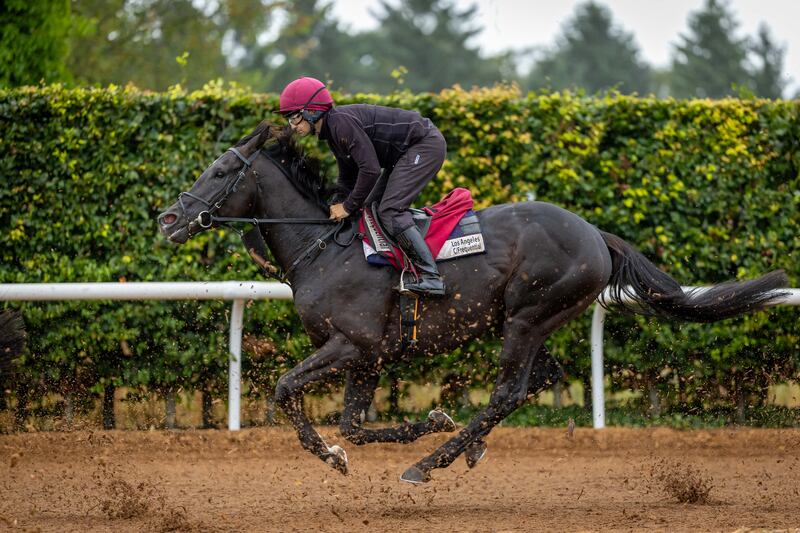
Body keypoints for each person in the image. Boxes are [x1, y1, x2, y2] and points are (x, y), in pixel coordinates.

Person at [279, 76, 446, 297]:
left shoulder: (340, 124)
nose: (293, 126)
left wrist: (347, 207)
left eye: (295, 117)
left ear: (312, 111)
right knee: (370, 207)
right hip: (404, 153)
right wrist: (334, 204)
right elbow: (348, 178)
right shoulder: (333, 132)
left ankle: (431, 276)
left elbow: (370, 171)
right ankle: (399, 268)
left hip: (424, 145)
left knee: (390, 210)